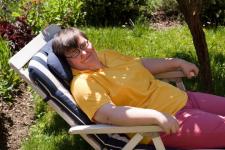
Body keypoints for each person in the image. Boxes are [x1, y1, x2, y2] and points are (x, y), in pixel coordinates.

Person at [52, 27, 225, 149]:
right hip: (167, 124)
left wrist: (177, 62)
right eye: (74, 53)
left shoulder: (106, 55)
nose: (84, 52)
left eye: (84, 45)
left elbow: (139, 64)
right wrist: (157, 116)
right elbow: (109, 114)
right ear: (67, 60)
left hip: (185, 98)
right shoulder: (84, 84)